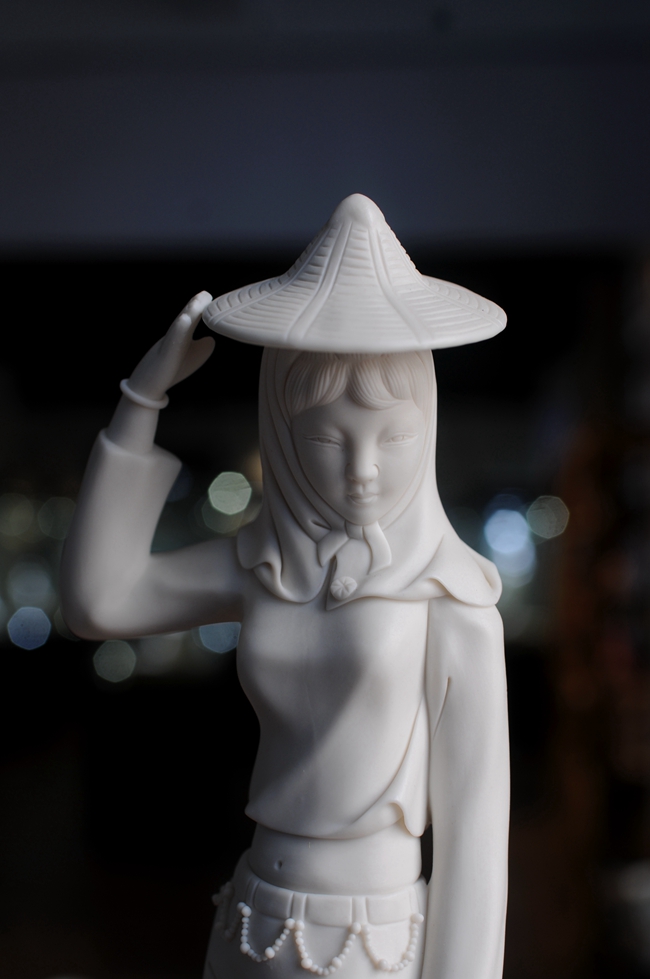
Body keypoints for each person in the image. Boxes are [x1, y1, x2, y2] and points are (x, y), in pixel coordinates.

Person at [61, 195, 510, 979]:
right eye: (330, 438)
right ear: (285, 435)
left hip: (375, 938)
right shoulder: (262, 564)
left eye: (395, 436)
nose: (364, 469)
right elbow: (98, 602)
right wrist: (141, 403)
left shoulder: (451, 595)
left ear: (428, 428)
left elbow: (476, 835)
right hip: (254, 916)